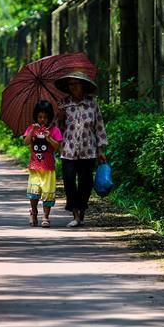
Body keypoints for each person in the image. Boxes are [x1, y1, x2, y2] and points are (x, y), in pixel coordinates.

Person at [55, 71, 108, 227]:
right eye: (70, 84)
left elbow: (99, 127)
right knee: (69, 182)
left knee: (85, 183)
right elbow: (58, 129)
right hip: (68, 151)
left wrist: (101, 149)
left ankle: (82, 211)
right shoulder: (63, 104)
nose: (73, 87)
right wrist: (60, 117)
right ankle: (76, 215)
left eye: (76, 84)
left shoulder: (92, 103)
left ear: (83, 85)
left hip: (88, 150)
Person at [23, 100, 62, 227]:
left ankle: (45, 217)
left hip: (48, 167)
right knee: (34, 192)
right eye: (40, 117)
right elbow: (26, 142)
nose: (42, 120)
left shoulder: (54, 130)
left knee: (47, 192)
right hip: (35, 166)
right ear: (36, 116)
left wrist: (49, 138)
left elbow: (57, 146)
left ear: (49, 117)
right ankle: (33, 212)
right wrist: (31, 132)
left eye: (45, 117)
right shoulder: (31, 128)